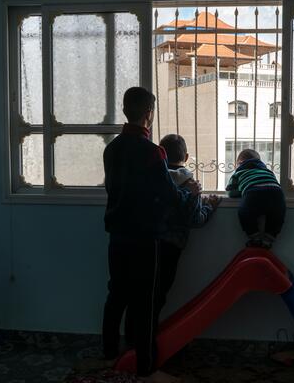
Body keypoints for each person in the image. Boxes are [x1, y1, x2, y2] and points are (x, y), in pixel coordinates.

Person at [102, 87, 199, 383]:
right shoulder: (151, 152)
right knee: (145, 302)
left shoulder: (112, 149)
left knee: (117, 294)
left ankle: (108, 354)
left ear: (125, 109)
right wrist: (191, 193)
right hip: (145, 238)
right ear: (149, 114)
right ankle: (146, 369)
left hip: (117, 234)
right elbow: (168, 195)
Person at [124, 134, 221, 345]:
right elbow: (195, 220)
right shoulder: (189, 183)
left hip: (144, 242)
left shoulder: (152, 178)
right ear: (186, 156)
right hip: (170, 247)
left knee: (139, 293)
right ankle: (146, 345)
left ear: (161, 152)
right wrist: (210, 206)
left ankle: (132, 342)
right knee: (157, 297)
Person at [226, 149, 286, 248]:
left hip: (254, 193)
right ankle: (268, 240)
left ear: (240, 163)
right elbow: (275, 183)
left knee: (244, 213)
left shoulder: (239, 172)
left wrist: (242, 191)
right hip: (277, 193)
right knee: (277, 216)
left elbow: (230, 192)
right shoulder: (268, 171)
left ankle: (255, 238)